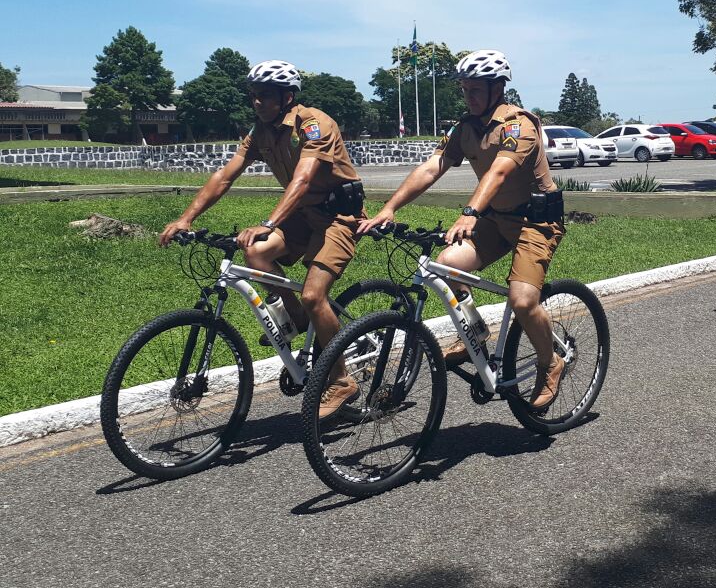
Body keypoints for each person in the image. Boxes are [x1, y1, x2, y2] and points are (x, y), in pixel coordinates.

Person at [357, 49, 567, 410]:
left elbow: (499, 172)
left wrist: (470, 212)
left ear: (497, 89)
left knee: (522, 300)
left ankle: (551, 362)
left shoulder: (519, 125)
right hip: (495, 220)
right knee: (446, 265)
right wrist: (389, 208)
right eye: (464, 90)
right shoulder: (465, 128)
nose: (467, 97)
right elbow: (432, 166)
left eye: (474, 90)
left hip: (535, 223)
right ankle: (477, 332)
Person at [158, 60, 366, 419]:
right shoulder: (260, 132)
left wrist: (268, 222)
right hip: (303, 216)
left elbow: (302, 180)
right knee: (255, 253)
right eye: (253, 95)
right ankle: (299, 318)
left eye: (264, 95)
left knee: (315, 294)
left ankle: (342, 378)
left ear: (287, 97)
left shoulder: (313, 124)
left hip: (337, 217)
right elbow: (225, 176)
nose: (256, 102)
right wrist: (186, 218)